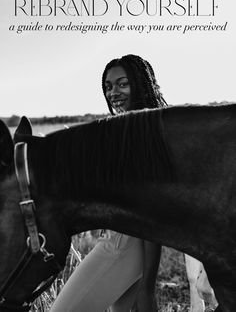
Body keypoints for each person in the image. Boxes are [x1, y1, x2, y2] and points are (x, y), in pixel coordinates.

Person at [50, 54, 210, 312]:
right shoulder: (127, 130)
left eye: (122, 83)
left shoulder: (143, 135)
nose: (114, 92)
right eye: (108, 86)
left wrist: (147, 288)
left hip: (124, 246)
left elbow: (152, 217)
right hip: (118, 242)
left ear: (140, 83)